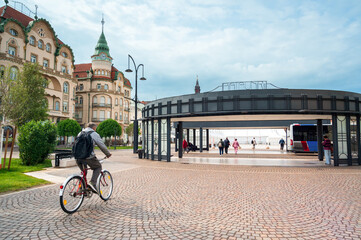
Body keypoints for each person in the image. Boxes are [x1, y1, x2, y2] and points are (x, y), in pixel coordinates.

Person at [75, 123, 112, 193]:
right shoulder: (94, 134)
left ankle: (81, 189)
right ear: (94, 128)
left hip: (78, 157)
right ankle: (92, 183)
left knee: (84, 172)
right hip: (88, 157)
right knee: (98, 167)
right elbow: (101, 145)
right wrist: (108, 154)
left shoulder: (80, 133)